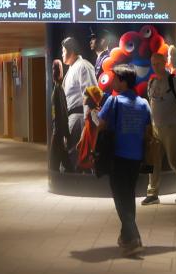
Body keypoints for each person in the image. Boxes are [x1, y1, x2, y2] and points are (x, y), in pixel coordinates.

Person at [94, 64, 151, 256]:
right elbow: (148, 132)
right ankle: (126, 237)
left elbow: (101, 125)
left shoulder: (113, 101)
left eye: (115, 79)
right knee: (128, 196)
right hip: (136, 158)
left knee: (120, 198)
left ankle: (134, 238)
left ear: (123, 81)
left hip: (117, 157)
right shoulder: (144, 103)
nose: (112, 82)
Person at [142, 51, 176, 205]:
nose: (155, 66)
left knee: (175, 161)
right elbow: (152, 103)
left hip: (172, 128)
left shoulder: (173, 80)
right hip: (156, 129)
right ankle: (152, 194)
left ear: (164, 63)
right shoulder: (152, 82)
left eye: (158, 63)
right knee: (153, 162)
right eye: (153, 64)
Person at [61, 37, 95, 171]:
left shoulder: (83, 66)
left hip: (80, 116)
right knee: (72, 154)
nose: (62, 54)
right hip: (72, 116)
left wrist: (88, 122)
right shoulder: (72, 68)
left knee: (75, 155)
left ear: (72, 51)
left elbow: (91, 94)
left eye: (64, 51)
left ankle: (74, 179)